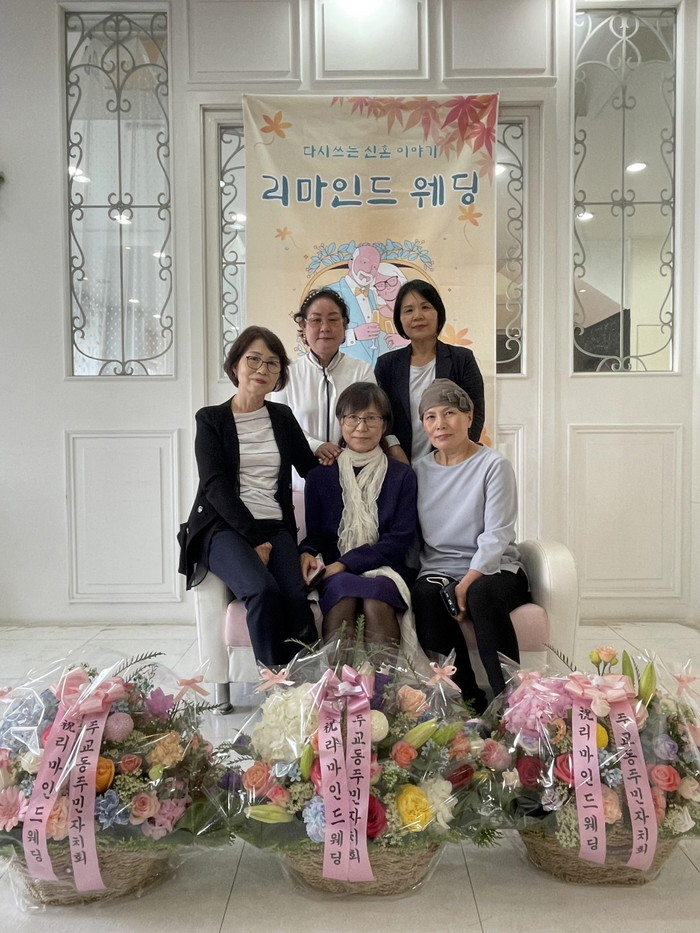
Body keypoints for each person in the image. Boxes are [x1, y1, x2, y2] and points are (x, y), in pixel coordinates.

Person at [178, 326, 319, 666]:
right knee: (262, 591)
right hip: (223, 528)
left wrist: (342, 456)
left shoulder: (282, 417)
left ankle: (306, 680)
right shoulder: (211, 419)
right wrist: (254, 538)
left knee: (295, 596)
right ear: (235, 365)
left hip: (276, 525)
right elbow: (214, 485)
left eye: (272, 363)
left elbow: (310, 468)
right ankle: (274, 681)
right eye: (253, 359)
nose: (262, 369)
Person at [411, 379, 529, 712]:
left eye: (449, 413)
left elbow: (497, 534)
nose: (440, 424)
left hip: (496, 568)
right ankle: (466, 704)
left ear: (469, 417)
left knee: (481, 594)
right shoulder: (418, 471)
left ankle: (511, 705)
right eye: (431, 417)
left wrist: (466, 582)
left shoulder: (493, 465)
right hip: (439, 568)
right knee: (425, 595)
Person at [299, 383, 420, 651]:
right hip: (334, 568)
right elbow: (316, 535)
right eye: (353, 417)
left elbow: (399, 540)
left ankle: (383, 678)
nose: (361, 427)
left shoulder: (402, 475)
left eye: (371, 418)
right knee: (342, 592)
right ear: (341, 421)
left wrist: (345, 563)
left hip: (388, 567)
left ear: (384, 424)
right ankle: (337, 678)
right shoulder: (319, 476)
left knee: (376, 597)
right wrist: (306, 553)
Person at [270, 288, 376, 485]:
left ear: (344, 325)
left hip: (353, 476)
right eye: (316, 320)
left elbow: (369, 423)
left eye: (333, 319)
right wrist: (316, 446)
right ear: (303, 326)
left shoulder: (362, 371)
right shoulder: (287, 374)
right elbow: (279, 427)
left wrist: (339, 454)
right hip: (302, 480)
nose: (325, 327)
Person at [374, 279, 485, 462]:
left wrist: (457, 459)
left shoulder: (462, 359)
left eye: (425, 307)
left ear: (438, 313)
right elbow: (381, 416)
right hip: (399, 463)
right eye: (408, 310)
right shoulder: (387, 365)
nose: (417, 316)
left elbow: (476, 413)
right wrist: (395, 453)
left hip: (451, 462)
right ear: (399, 319)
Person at [327, 244, 386, 366]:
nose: (368, 270)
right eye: (364, 262)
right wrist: (354, 334)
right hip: (342, 369)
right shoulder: (329, 293)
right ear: (350, 263)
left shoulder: (371, 294)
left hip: (371, 370)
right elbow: (322, 336)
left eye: (374, 267)